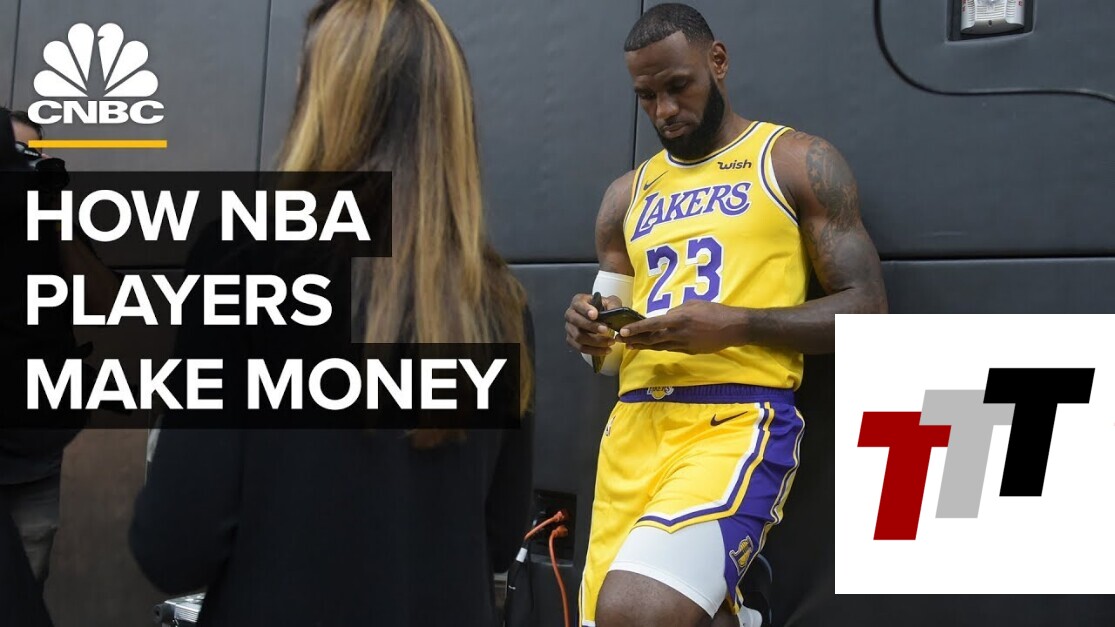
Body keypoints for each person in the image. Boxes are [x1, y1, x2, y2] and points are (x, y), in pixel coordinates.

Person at [128, 1, 535, 626]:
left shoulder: (245, 260)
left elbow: (175, 545)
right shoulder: (500, 301)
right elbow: (501, 538)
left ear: (324, 103)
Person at [564, 4, 887, 627]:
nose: (664, 110)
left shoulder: (794, 160)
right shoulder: (625, 196)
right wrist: (589, 332)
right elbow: (604, 357)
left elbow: (868, 309)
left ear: (717, 61)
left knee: (635, 608)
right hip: (633, 428)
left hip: (734, 419)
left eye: (677, 86)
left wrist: (736, 324)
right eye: (647, 96)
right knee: (614, 618)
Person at [0, 107, 119, 594]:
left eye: (31, 156)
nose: (21, 167)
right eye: (11, 155)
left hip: (31, 456)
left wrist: (54, 216)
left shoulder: (49, 223)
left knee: (21, 598)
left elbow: (108, 302)